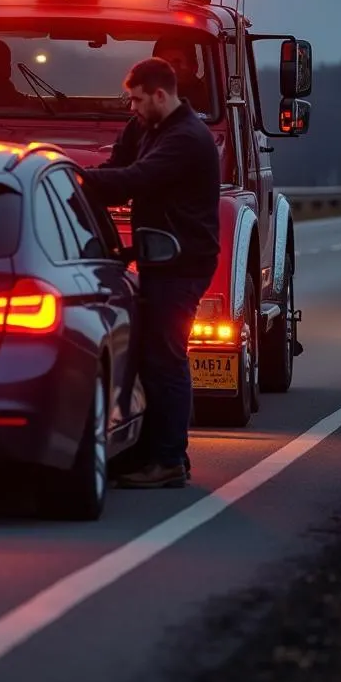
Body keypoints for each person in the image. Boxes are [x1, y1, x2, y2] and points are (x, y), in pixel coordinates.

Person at [78, 56, 221, 488]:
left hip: (184, 263)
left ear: (161, 94)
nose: (132, 108)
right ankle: (142, 453)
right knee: (144, 357)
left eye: (138, 100)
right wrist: (85, 183)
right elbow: (115, 169)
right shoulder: (146, 126)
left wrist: (68, 182)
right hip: (158, 258)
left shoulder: (188, 139)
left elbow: (135, 179)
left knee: (166, 358)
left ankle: (170, 459)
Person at [152, 36, 209, 114]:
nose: (170, 69)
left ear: (194, 66)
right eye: (163, 63)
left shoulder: (210, 99)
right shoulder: (145, 95)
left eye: (177, 63)